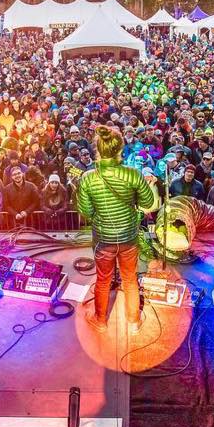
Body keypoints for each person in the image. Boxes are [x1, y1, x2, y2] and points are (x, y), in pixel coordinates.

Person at [76, 125, 160, 335]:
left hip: (104, 239)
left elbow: (85, 212)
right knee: (130, 278)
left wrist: (101, 217)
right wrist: (148, 185)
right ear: (120, 149)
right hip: (129, 238)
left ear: (98, 150)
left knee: (103, 279)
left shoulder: (88, 178)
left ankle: (100, 321)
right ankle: (133, 322)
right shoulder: (133, 174)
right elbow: (148, 203)